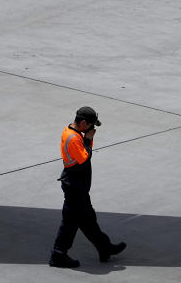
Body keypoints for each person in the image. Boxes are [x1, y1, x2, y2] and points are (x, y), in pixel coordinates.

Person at [48, 106, 126, 268]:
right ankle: (58, 254)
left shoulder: (72, 132)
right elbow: (84, 158)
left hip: (78, 186)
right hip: (74, 186)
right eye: (91, 125)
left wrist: (87, 137)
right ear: (83, 123)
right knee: (70, 223)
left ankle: (104, 248)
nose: (92, 129)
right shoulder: (74, 138)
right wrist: (89, 139)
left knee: (88, 220)